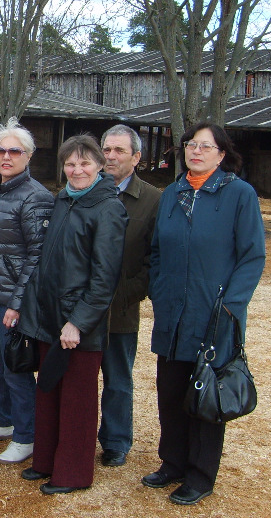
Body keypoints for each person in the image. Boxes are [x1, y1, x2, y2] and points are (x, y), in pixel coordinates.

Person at [143, 122, 265, 505]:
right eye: (191, 144)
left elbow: (252, 256)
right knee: (171, 391)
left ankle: (200, 474)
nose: (196, 151)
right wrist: (159, 290)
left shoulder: (239, 194)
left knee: (205, 394)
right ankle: (173, 462)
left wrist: (230, 306)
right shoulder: (173, 193)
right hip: (172, 312)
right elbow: (156, 250)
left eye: (205, 146)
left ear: (222, 154)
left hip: (214, 315)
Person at [18, 133, 127, 494]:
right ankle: (46, 461)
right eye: (70, 163)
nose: (77, 170)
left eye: (85, 163)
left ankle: (73, 474)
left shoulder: (108, 208)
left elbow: (105, 277)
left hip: (79, 324)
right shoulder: (63, 200)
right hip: (50, 316)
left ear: (100, 165)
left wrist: (78, 323)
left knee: (77, 401)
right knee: (49, 391)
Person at [0, 117, 54, 464]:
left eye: (15, 151)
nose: (6, 157)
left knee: (15, 368)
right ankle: (3, 419)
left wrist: (18, 303)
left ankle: (26, 434)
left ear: (28, 156)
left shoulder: (36, 197)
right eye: (0, 150)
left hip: (10, 298)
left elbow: (38, 256)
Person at [97, 124, 161, 467]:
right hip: (78, 308)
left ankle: (116, 441)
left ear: (136, 157)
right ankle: (75, 438)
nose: (111, 156)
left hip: (120, 310)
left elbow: (156, 260)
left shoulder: (153, 200)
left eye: (119, 151)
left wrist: (125, 295)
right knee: (76, 378)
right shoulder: (84, 188)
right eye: (106, 149)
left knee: (118, 378)